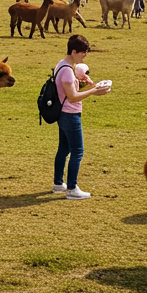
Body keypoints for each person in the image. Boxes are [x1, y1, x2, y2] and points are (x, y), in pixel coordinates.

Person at [53, 34, 111, 200]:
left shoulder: (63, 65)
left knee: (64, 149)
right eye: (82, 52)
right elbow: (72, 97)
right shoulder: (67, 71)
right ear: (73, 51)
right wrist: (94, 91)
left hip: (63, 113)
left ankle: (58, 183)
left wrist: (82, 82)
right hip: (70, 114)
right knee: (77, 151)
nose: (84, 55)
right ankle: (72, 188)